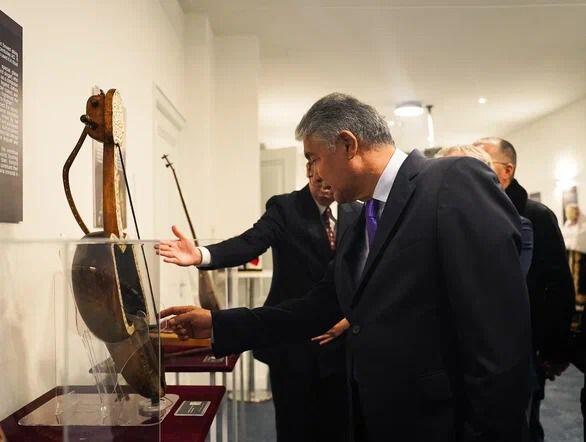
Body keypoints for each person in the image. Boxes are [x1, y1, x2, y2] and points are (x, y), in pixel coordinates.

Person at [158, 93, 531, 442]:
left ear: (348, 145)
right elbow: (315, 308)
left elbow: (498, 334)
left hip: (439, 424)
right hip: (374, 417)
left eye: (315, 157)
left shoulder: (452, 181)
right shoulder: (361, 218)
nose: (315, 173)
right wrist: (217, 323)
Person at [158, 164, 361, 442]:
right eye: (319, 183)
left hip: (342, 345)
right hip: (291, 342)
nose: (327, 190)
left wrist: (349, 318)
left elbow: (363, 274)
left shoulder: (355, 210)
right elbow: (249, 242)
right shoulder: (285, 207)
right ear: (309, 169)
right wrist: (202, 255)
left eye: (330, 184)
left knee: (339, 428)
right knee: (294, 427)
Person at [476, 137, 575, 442]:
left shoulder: (536, 216)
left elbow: (556, 284)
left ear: (506, 171)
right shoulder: (475, 210)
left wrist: (555, 348)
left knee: (526, 422)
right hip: (486, 347)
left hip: (528, 343)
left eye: (482, 162)